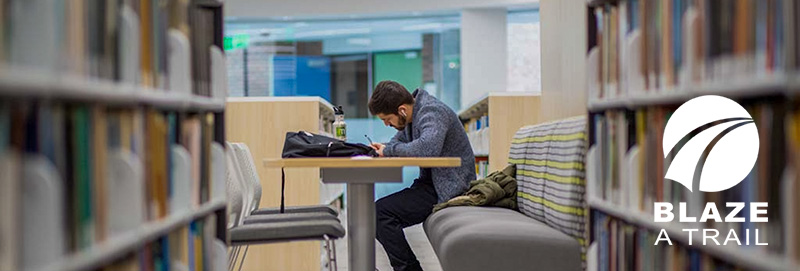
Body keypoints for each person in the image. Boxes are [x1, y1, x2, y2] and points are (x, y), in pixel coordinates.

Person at [368, 80, 475, 271]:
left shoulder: (432, 112)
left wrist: (389, 151)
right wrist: (382, 150)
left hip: (449, 187)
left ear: (401, 110)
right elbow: (395, 144)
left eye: (387, 119)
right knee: (378, 212)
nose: (386, 124)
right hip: (431, 184)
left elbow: (427, 149)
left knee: (379, 214)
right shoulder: (409, 117)